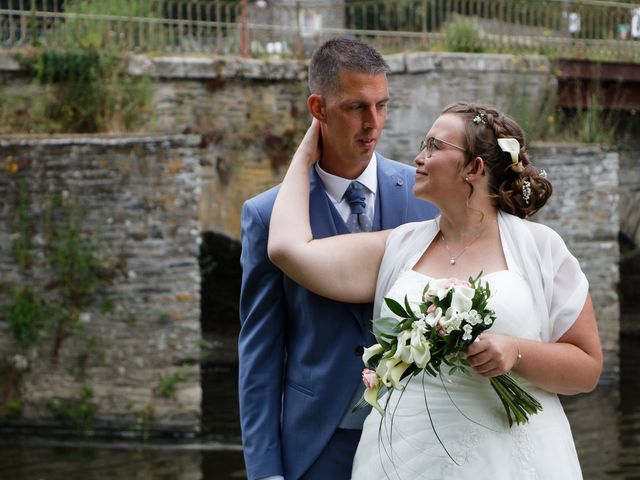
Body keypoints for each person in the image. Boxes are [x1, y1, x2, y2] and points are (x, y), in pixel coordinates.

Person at [267, 101, 603, 479]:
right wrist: (309, 148)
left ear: (474, 169)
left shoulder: (540, 248)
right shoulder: (398, 246)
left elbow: (587, 369)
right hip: (402, 457)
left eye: (433, 146)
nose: (418, 157)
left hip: (504, 460)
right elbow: (286, 250)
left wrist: (516, 352)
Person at [238, 38, 438, 480]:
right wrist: (265, 471)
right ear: (319, 108)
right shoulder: (267, 215)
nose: (373, 124)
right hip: (315, 447)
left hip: (418, 442)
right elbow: (260, 356)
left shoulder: (429, 198)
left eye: (382, 106)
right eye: (356, 107)